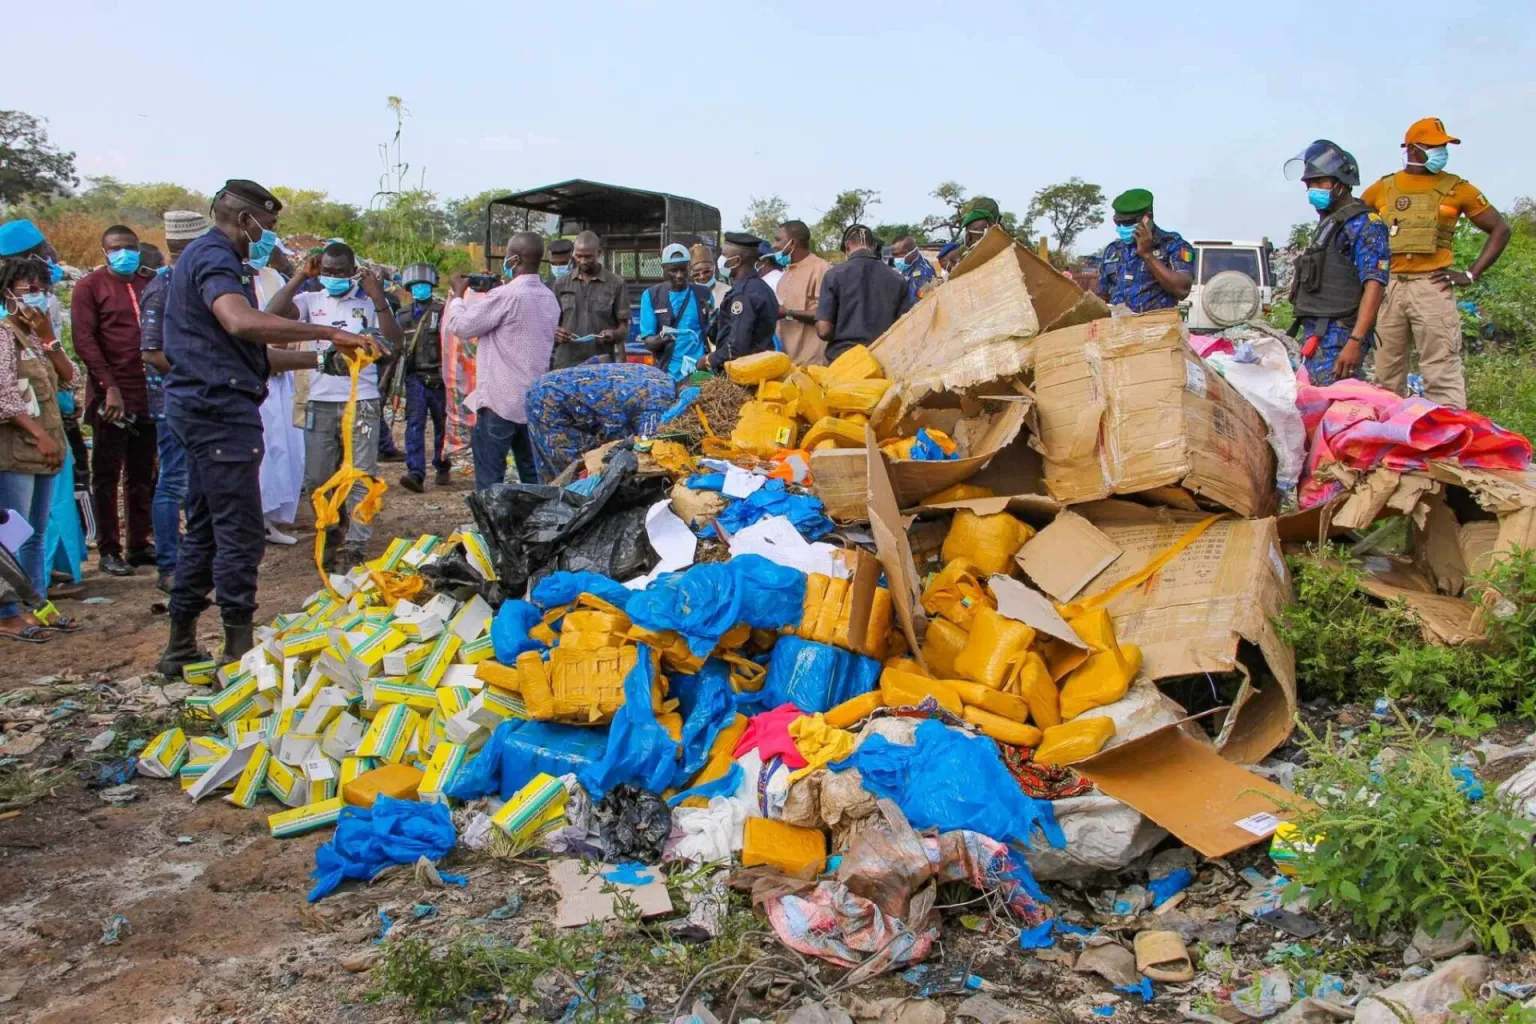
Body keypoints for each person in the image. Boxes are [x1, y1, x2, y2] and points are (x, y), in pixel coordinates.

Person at [158, 179, 377, 674]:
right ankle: (237, 653)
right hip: (219, 414)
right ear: (245, 221)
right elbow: (241, 323)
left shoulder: (212, 260)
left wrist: (321, 357)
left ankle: (180, 644)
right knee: (239, 530)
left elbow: (249, 350)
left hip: (201, 407)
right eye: (270, 227)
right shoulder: (214, 257)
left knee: (207, 527)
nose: (272, 239)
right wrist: (326, 329)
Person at [266, 242, 403, 569]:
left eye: (342, 272)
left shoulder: (368, 303)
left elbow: (395, 344)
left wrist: (379, 296)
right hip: (320, 402)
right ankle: (329, 529)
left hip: (362, 401)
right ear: (319, 270)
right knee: (318, 478)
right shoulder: (311, 301)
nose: (335, 277)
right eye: (328, 271)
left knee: (361, 476)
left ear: (354, 272)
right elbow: (271, 315)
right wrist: (300, 276)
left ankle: (356, 546)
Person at [1362, 118, 1512, 408]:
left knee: (1442, 373)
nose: (1442, 152)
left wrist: (1471, 273)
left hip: (1431, 286)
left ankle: (1446, 450)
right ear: (1413, 150)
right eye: (1435, 146)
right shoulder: (1382, 188)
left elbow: (1500, 229)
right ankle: (1390, 445)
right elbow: (1356, 226)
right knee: (1386, 377)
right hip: (1389, 287)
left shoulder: (1458, 189)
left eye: (1443, 146)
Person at [0, 254, 83, 641]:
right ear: (7, 294)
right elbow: (4, 398)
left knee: (34, 532)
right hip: (18, 450)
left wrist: (50, 339)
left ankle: (38, 604)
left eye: (43, 290)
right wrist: (40, 434)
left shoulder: (35, 337)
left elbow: (69, 377)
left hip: (47, 450)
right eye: (29, 291)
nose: (38, 297)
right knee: (11, 536)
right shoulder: (2, 335)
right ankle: (8, 611)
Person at [444, 231, 561, 489]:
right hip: (532, 402)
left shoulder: (507, 296)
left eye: (507, 256)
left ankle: (491, 527)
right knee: (532, 476)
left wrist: (456, 296)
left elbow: (461, 326)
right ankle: (534, 524)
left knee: (490, 479)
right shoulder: (549, 297)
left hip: (500, 402)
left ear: (515, 259)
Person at [70, 224, 155, 577]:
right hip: (112, 396)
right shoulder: (89, 287)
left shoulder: (147, 283)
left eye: (130, 247)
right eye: (116, 248)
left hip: (149, 390)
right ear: (105, 252)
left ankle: (139, 543)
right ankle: (109, 548)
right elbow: (85, 341)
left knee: (143, 472)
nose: (125, 253)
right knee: (106, 474)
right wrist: (109, 387)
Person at [1282, 141, 1390, 387]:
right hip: (1317, 333)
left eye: (1321, 182)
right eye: (1310, 184)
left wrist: (1355, 340)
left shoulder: (1366, 224)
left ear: (1342, 184)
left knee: (1331, 402)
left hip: (1340, 334)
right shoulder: (1330, 224)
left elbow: (1375, 284)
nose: (1313, 189)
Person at [140, 210, 207, 592]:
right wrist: (193, 379)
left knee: (190, 482)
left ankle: (186, 558)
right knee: (174, 483)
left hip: (192, 400)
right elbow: (151, 352)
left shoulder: (187, 280)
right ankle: (169, 566)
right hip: (173, 401)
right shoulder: (163, 287)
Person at [525, 364, 677, 482]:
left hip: (547, 387)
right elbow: (647, 447)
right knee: (576, 474)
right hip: (550, 402)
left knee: (560, 468)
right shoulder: (660, 404)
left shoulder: (661, 378)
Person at [816, 224, 913, 361]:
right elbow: (904, 326)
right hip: (884, 360)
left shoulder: (833, 276)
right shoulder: (897, 279)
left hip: (843, 361)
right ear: (873, 246)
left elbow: (823, 330)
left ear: (847, 247)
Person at [396, 262, 452, 492]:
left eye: (425, 284)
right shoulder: (403, 315)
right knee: (415, 425)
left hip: (439, 377)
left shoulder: (444, 311)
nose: (420, 288)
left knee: (442, 424)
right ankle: (416, 472)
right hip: (415, 377)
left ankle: (442, 465)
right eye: (416, 285)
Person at [1095, 189, 1194, 313]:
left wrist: (1147, 255)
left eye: (1127, 223)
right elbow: (1102, 295)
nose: (1122, 228)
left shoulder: (1173, 245)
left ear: (1148, 218)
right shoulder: (1113, 250)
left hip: (1156, 328)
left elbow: (1182, 289)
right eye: (1118, 222)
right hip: (1118, 328)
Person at [702, 232, 779, 371]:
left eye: (724, 255)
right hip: (761, 367)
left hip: (745, 374)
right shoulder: (762, 287)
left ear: (736, 261)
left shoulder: (742, 294)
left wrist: (708, 360)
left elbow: (736, 347)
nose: (720, 259)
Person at [551, 231, 629, 368]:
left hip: (601, 364)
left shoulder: (616, 284)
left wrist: (613, 334)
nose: (583, 261)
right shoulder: (561, 283)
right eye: (579, 256)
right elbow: (549, 323)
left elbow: (624, 329)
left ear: (599, 253)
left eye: (588, 257)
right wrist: (555, 332)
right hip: (566, 364)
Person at [639, 243, 713, 380]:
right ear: (663, 269)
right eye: (673, 270)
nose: (679, 275)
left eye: (683, 270)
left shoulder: (703, 294)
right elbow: (648, 342)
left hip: (698, 374)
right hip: (666, 375)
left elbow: (713, 335)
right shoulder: (651, 296)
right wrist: (662, 339)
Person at [771, 220, 831, 366]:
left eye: (778, 239)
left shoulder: (821, 268)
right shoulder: (786, 272)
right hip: (785, 362)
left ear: (792, 243)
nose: (773, 245)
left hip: (810, 364)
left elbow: (826, 315)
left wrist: (788, 313)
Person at [891, 234, 937, 302]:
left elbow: (918, 303)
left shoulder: (923, 273)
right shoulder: (909, 266)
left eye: (900, 255)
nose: (896, 259)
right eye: (894, 255)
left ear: (913, 252)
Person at [691, 243, 730, 308]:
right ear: (691, 273)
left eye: (706, 271)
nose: (702, 276)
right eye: (697, 273)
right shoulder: (687, 294)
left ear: (713, 268)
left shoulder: (727, 292)